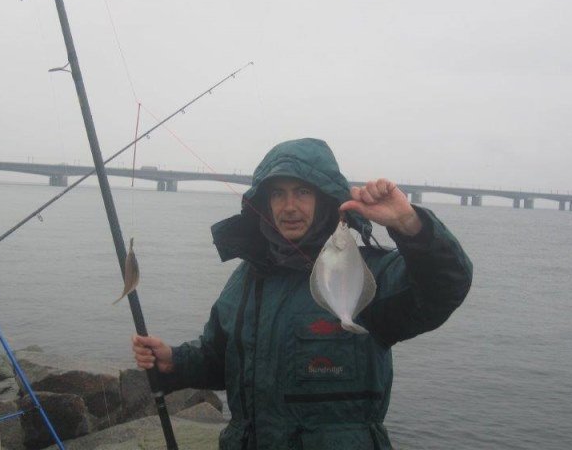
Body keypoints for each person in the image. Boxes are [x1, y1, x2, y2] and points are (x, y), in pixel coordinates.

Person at [132, 138, 472, 450]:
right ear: (264, 202)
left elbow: (444, 288)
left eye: (302, 192)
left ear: (325, 198)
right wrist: (175, 361)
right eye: (277, 194)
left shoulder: (371, 272)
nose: (289, 206)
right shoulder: (245, 279)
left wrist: (409, 224)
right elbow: (220, 359)